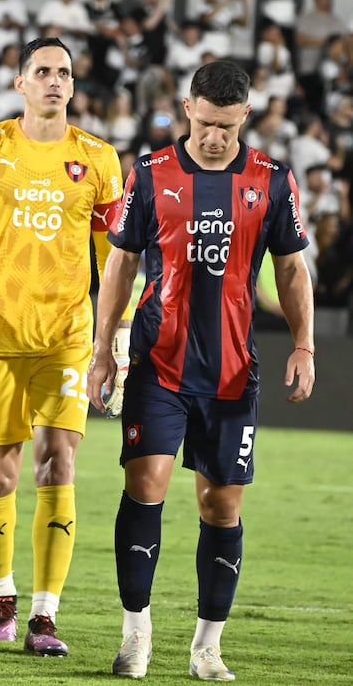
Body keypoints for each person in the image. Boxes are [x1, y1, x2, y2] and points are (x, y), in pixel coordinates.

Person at [86, 59, 315, 681]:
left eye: (226, 125)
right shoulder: (151, 174)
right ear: (188, 107)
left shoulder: (271, 180)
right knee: (146, 486)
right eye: (204, 122)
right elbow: (120, 266)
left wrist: (305, 344)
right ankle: (136, 636)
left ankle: (207, 646)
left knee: (221, 507)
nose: (214, 136)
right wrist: (103, 346)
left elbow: (291, 270)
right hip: (158, 364)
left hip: (233, 373)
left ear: (246, 114)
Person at [0, 37, 124, 656]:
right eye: (41, 71)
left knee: (58, 463)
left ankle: (45, 615)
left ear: (74, 84)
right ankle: (2, 595)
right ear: (20, 83)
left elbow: (112, 257)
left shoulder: (99, 158)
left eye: (63, 73)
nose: (53, 81)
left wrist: (114, 333)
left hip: (67, 337)